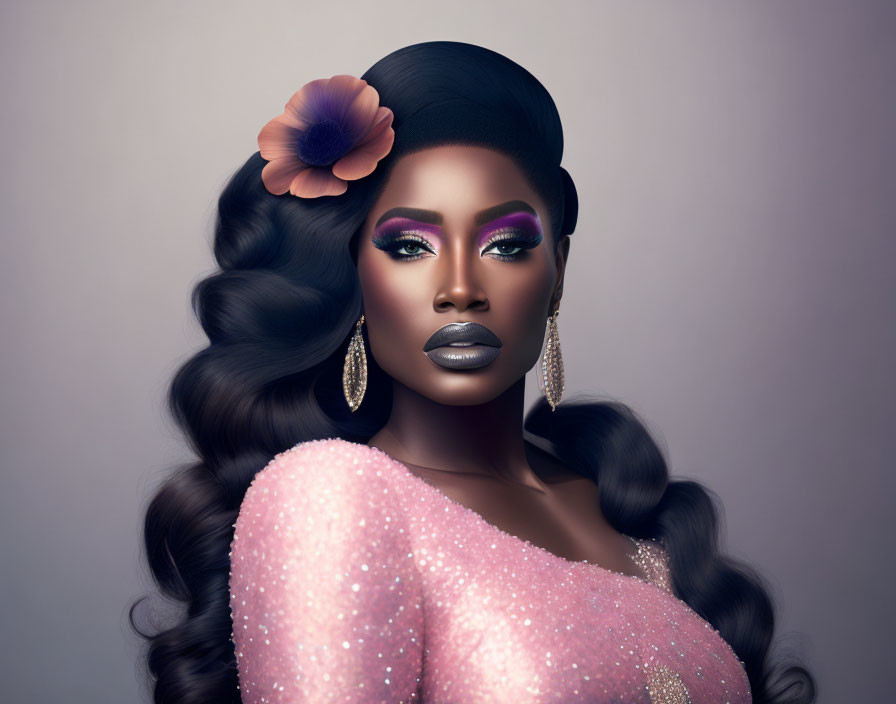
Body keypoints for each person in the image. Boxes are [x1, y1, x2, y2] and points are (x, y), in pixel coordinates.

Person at [132, 41, 815, 703]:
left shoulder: (626, 509)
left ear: (558, 274)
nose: (460, 286)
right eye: (408, 246)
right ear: (356, 277)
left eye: (506, 243)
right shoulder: (330, 497)